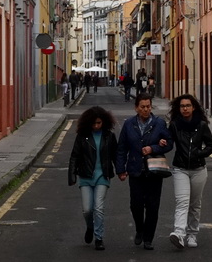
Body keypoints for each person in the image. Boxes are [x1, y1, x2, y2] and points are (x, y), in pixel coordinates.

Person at [116, 93, 172, 250]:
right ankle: (139, 229)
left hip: (154, 171)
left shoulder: (159, 123)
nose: (146, 109)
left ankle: (148, 238)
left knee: (153, 206)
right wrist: (120, 169)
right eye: (143, 107)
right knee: (136, 205)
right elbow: (122, 148)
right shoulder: (128, 125)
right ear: (136, 108)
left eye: (148, 106)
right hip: (135, 170)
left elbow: (169, 144)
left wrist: (154, 147)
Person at [168, 94, 212, 250]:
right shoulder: (175, 125)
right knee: (182, 201)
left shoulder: (201, 125)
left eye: (188, 105)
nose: (185, 109)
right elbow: (169, 143)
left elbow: (211, 145)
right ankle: (179, 234)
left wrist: (199, 154)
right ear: (179, 108)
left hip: (198, 169)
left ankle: (192, 234)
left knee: (195, 204)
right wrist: (162, 142)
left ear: (193, 107)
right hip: (180, 168)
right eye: (182, 106)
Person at [68, 106, 119, 250]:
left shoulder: (109, 136)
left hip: (103, 175)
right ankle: (90, 227)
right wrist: (72, 176)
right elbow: (74, 156)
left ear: (104, 122)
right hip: (85, 176)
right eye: (94, 123)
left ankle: (99, 237)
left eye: (99, 123)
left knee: (98, 207)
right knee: (87, 210)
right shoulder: (82, 136)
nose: (96, 126)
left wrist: (121, 171)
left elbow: (115, 155)